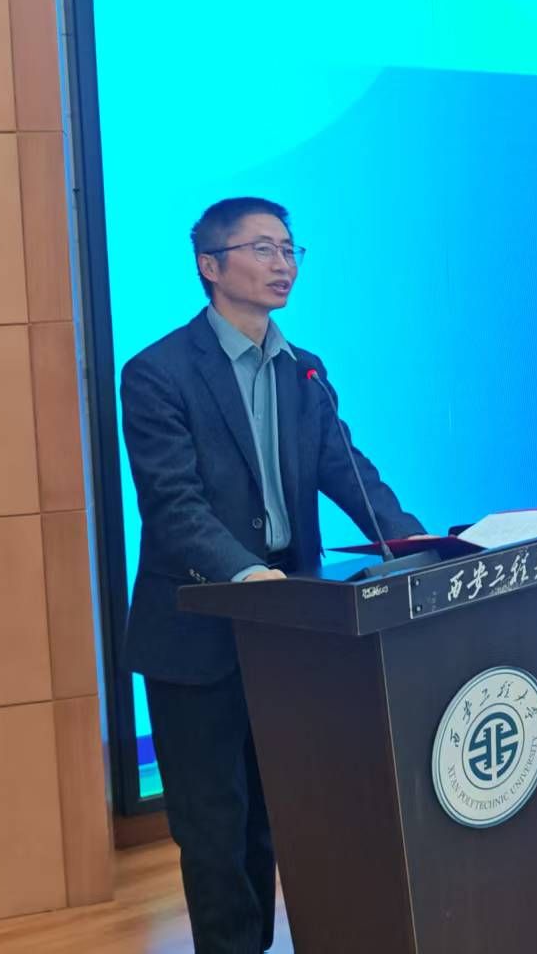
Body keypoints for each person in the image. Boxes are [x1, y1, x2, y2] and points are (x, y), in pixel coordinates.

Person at [119, 196, 423, 953]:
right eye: (262, 248)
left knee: (272, 816)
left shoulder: (303, 370)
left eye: (289, 249)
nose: (282, 264)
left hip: (289, 633)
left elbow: (349, 472)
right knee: (214, 829)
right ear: (210, 265)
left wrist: (415, 543)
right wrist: (249, 575)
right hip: (197, 633)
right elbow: (174, 506)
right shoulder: (157, 373)